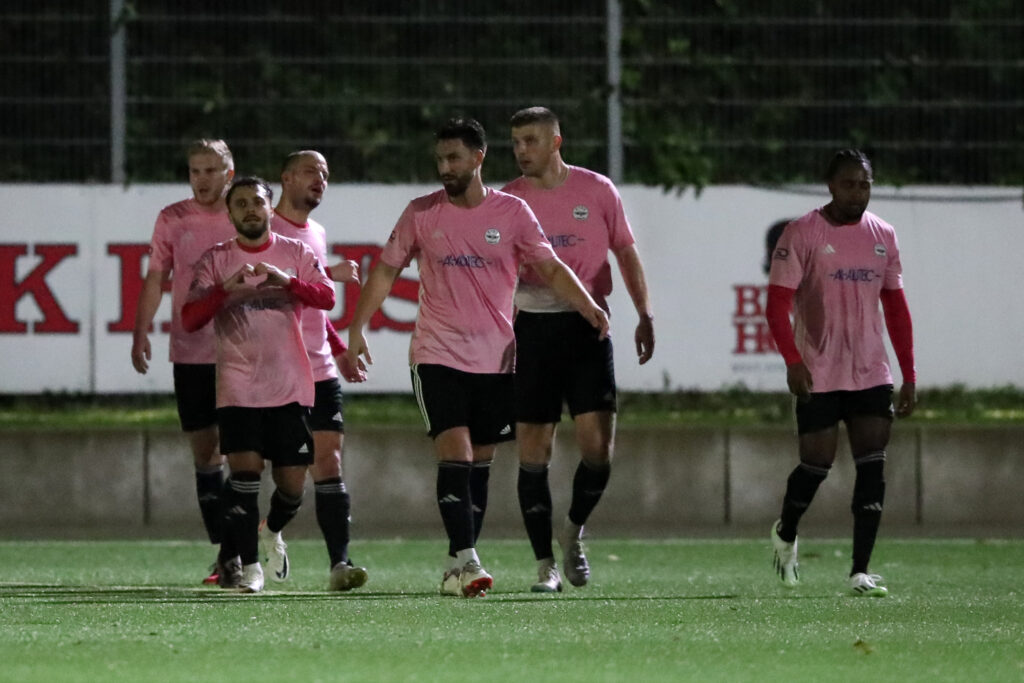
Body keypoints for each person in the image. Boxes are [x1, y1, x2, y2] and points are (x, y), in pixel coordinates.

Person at [344, 117, 609, 598]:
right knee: (457, 452)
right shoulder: (421, 213)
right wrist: (357, 327)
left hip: (495, 360)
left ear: (478, 158)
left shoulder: (512, 213)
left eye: (454, 158)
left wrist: (586, 304)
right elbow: (384, 271)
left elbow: (550, 267)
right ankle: (469, 559)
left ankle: (455, 563)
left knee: (480, 462)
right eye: (440, 159)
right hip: (436, 354)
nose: (445, 167)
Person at [502, 106, 654, 592]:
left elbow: (625, 251)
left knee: (598, 451)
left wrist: (645, 313)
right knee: (533, 451)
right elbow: (497, 274)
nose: (521, 151)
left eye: (530, 140)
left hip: (588, 328)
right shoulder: (508, 200)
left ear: (556, 142)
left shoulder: (597, 190)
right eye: (516, 142)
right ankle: (544, 564)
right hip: (532, 329)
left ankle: (572, 530)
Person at [765, 149, 916, 597]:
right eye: (849, 184)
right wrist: (793, 360)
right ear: (830, 186)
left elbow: (896, 307)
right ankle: (786, 531)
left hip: (871, 371)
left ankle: (860, 571)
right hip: (819, 370)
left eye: (864, 184)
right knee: (816, 464)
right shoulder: (802, 232)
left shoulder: (883, 234)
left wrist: (908, 373)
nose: (857, 193)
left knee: (872, 465)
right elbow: (776, 304)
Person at [181, 176, 336, 593]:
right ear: (230, 213)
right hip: (238, 388)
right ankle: (251, 568)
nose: (250, 209)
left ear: (270, 208)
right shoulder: (216, 260)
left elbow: (327, 297)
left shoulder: (296, 252)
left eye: (257, 202)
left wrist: (288, 282)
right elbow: (190, 318)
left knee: (292, 488)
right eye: (241, 203)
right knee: (245, 479)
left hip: (289, 387)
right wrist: (223, 291)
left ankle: (271, 531)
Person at [130, 139, 237, 584]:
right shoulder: (173, 218)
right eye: (195, 171)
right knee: (206, 454)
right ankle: (226, 550)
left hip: (242, 351)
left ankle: (238, 551)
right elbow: (157, 276)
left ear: (229, 174)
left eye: (212, 170)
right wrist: (140, 330)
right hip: (191, 350)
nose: (202, 179)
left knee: (244, 452)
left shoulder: (246, 213)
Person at [265, 150, 368, 591]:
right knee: (291, 481)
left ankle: (339, 564)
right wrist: (329, 273)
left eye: (325, 173)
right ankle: (270, 530)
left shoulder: (318, 232)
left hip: (320, 367)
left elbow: (315, 307)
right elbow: (268, 286)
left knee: (329, 461)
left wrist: (339, 349)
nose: (319, 179)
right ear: (286, 178)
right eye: (310, 171)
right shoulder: (266, 229)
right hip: (277, 369)